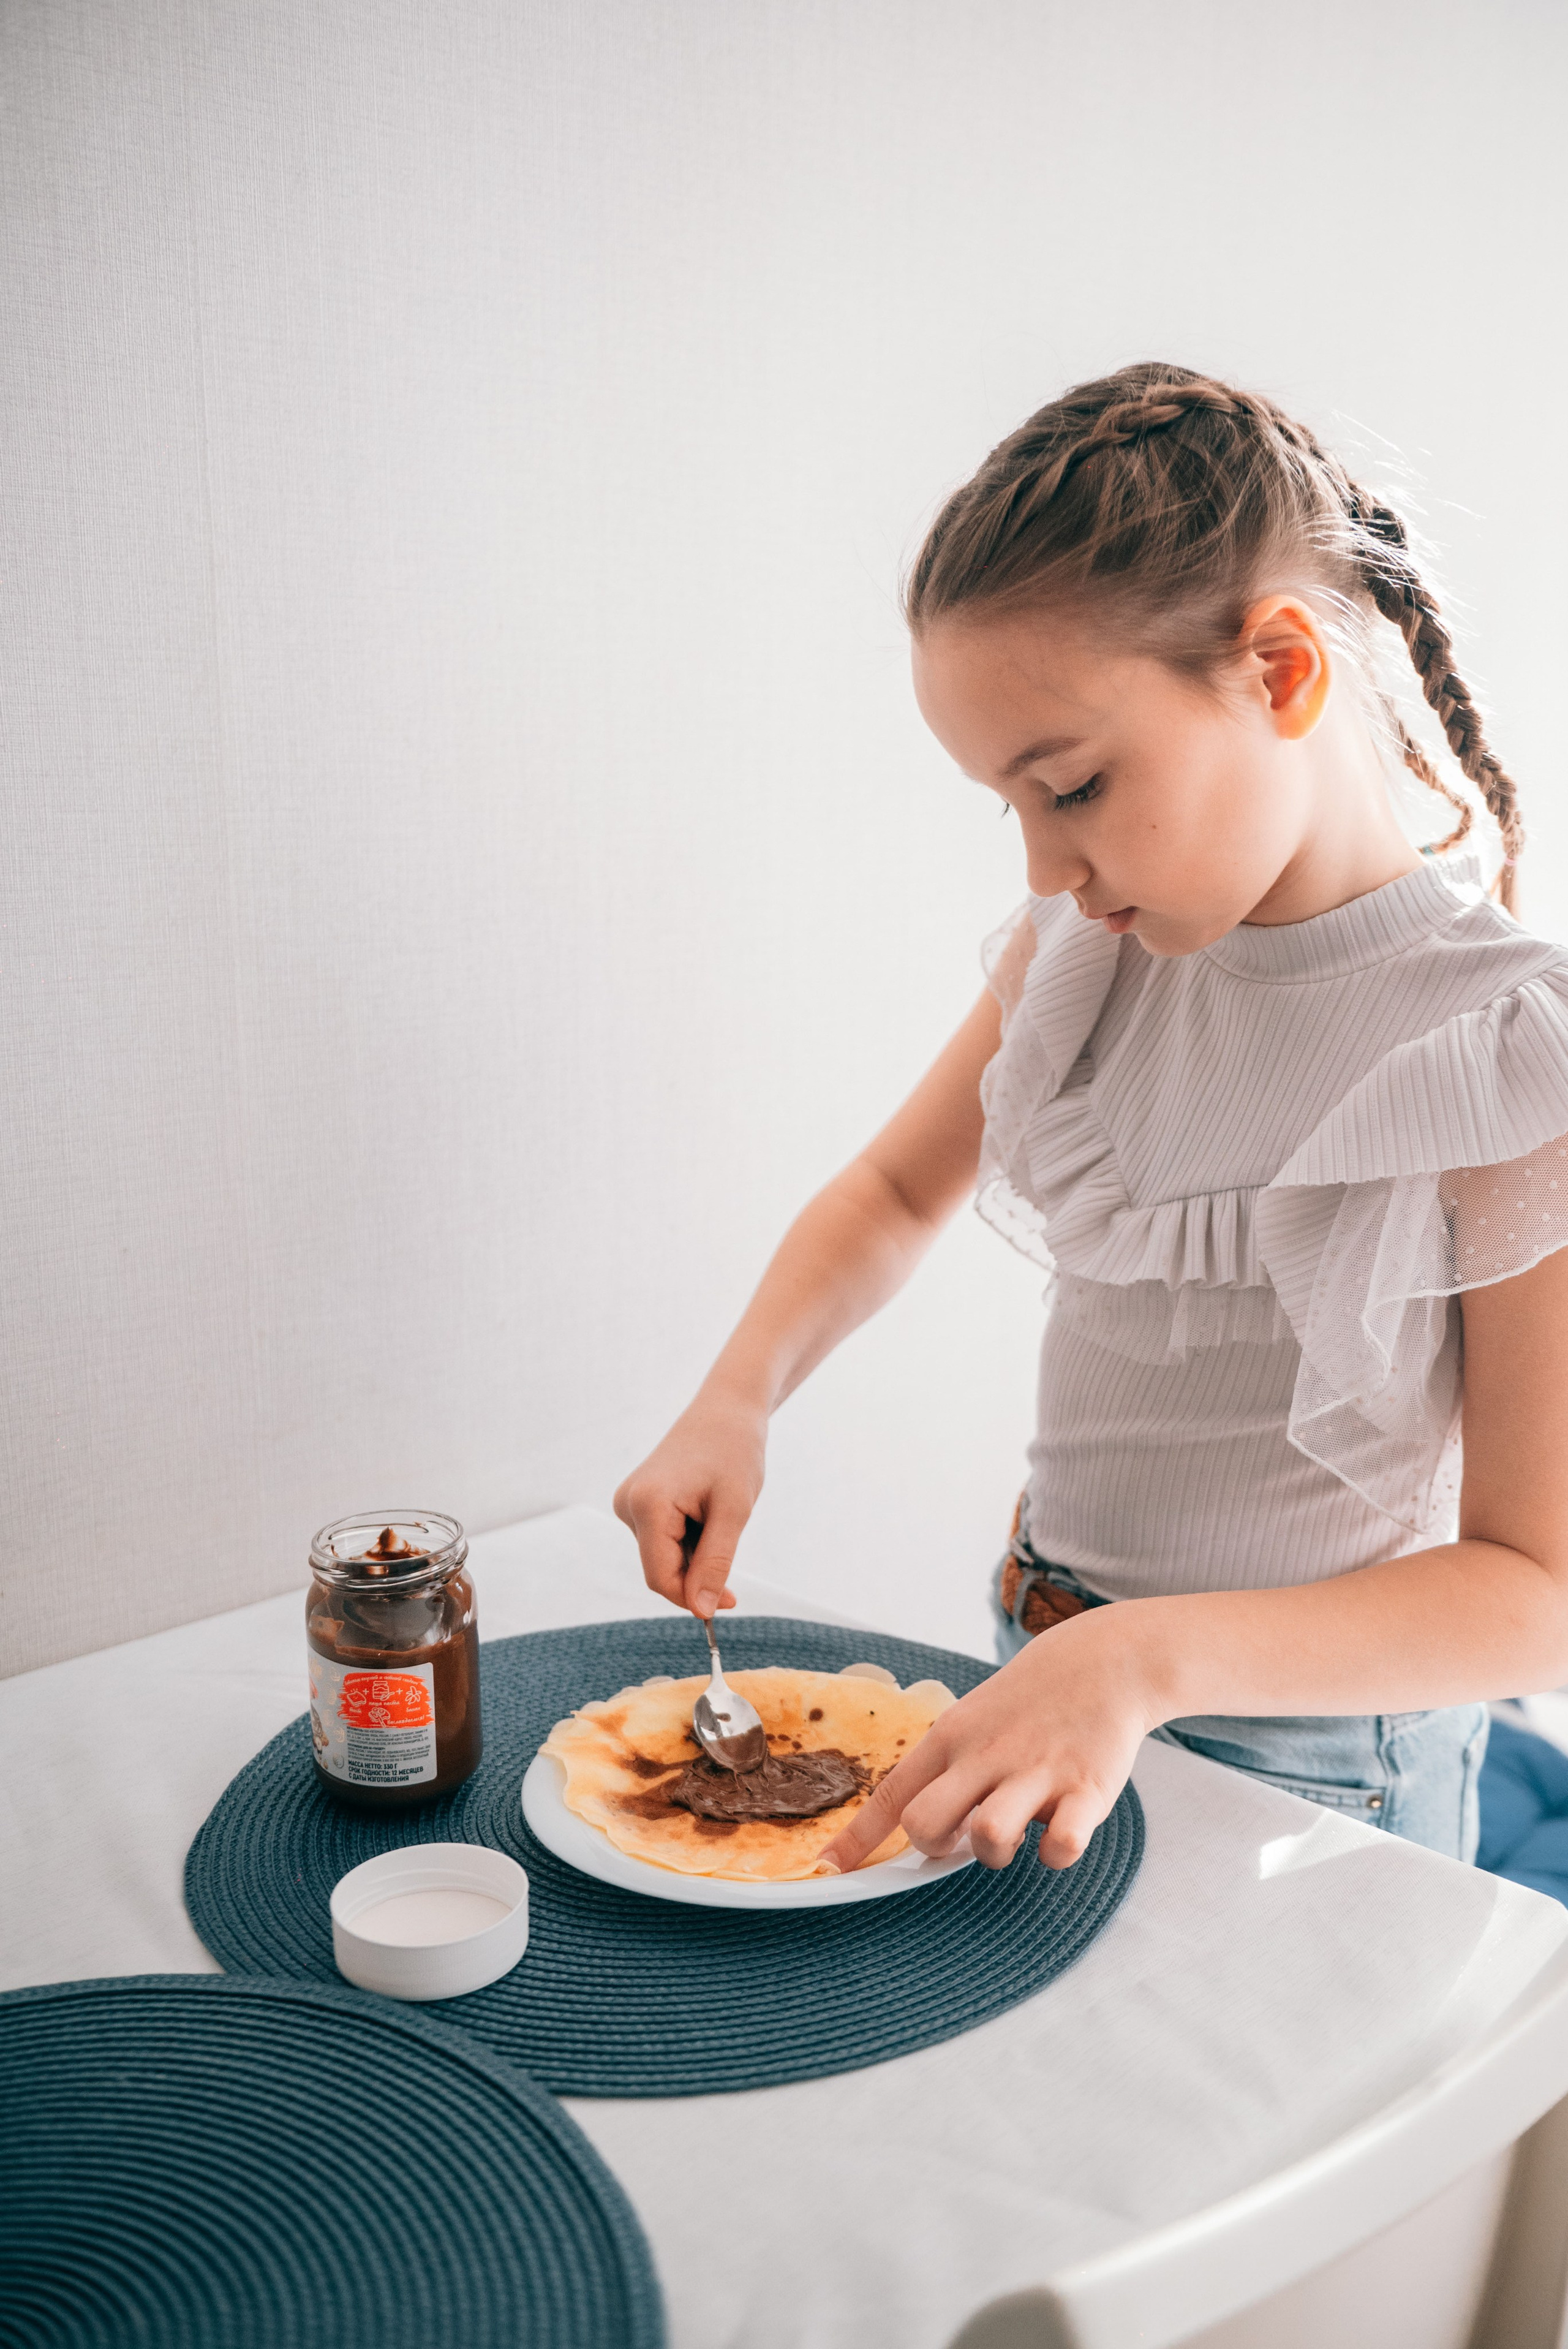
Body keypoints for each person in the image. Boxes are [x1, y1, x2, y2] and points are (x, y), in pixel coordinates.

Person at [614, 363, 1568, 1878]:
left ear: (1279, 673)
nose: (1047, 866)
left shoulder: (1501, 1049)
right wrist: (736, 1396)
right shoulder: (1088, 958)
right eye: (1010, 807)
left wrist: (1141, 1661)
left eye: (1069, 785)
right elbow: (888, 1191)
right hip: (1044, 1657)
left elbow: (1533, 1588)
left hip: (1319, 1763)